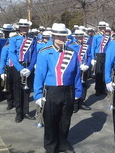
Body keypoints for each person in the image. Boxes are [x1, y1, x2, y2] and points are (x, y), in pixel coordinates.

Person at [34, 23, 82, 153]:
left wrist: (78, 91)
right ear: (53, 36)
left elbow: (77, 74)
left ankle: (63, 143)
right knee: (50, 122)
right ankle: (51, 147)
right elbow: (39, 75)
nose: (61, 38)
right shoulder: (45, 52)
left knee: (65, 120)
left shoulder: (72, 52)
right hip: (51, 91)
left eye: (63, 36)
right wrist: (38, 95)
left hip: (68, 91)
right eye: (58, 36)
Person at [9, 19, 37, 123]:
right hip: (18, 67)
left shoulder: (33, 39)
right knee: (17, 90)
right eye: (23, 27)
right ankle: (19, 113)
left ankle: (26, 112)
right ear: (19, 28)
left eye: (26, 27)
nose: (25, 29)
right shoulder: (13, 39)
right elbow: (12, 54)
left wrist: (30, 68)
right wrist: (20, 68)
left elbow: (34, 54)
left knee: (27, 90)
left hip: (28, 66)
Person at [68, 29, 92, 112]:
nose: (80, 38)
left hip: (84, 69)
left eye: (81, 36)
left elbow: (89, 56)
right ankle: (73, 104)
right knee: (74, 85)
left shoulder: (87, 46)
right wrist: (78, 65)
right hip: (75, 69)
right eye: (78, 37)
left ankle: (81, 102)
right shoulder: (71, 45)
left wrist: (87, 65)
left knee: (84, 85)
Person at [91, 21, 110, 96]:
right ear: (99, 28)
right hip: (98, 55)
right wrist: (93, 57)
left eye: (104, 28)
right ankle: (98, 89)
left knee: (104, 72)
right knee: (98, 72)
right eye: (101, 28)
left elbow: (108, 47)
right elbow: (93, 47)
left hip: (105, 55)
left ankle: (103, 89)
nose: (103, 29)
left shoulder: (107, 37)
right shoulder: (96, 37)